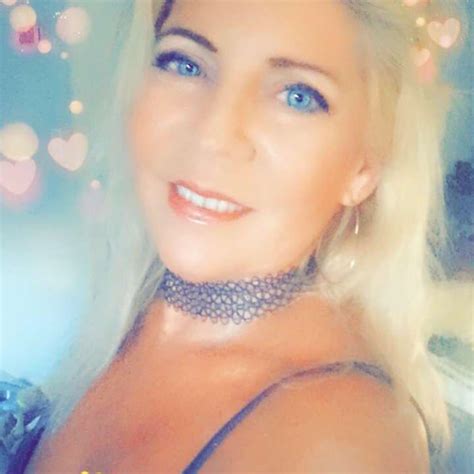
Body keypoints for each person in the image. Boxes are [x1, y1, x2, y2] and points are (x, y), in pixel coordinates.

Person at [2, 0, 468, 472]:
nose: (213, 133)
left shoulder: (336, 442)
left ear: (363, 168)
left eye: (297, 96)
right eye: (185, 64)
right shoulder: (121, 306)